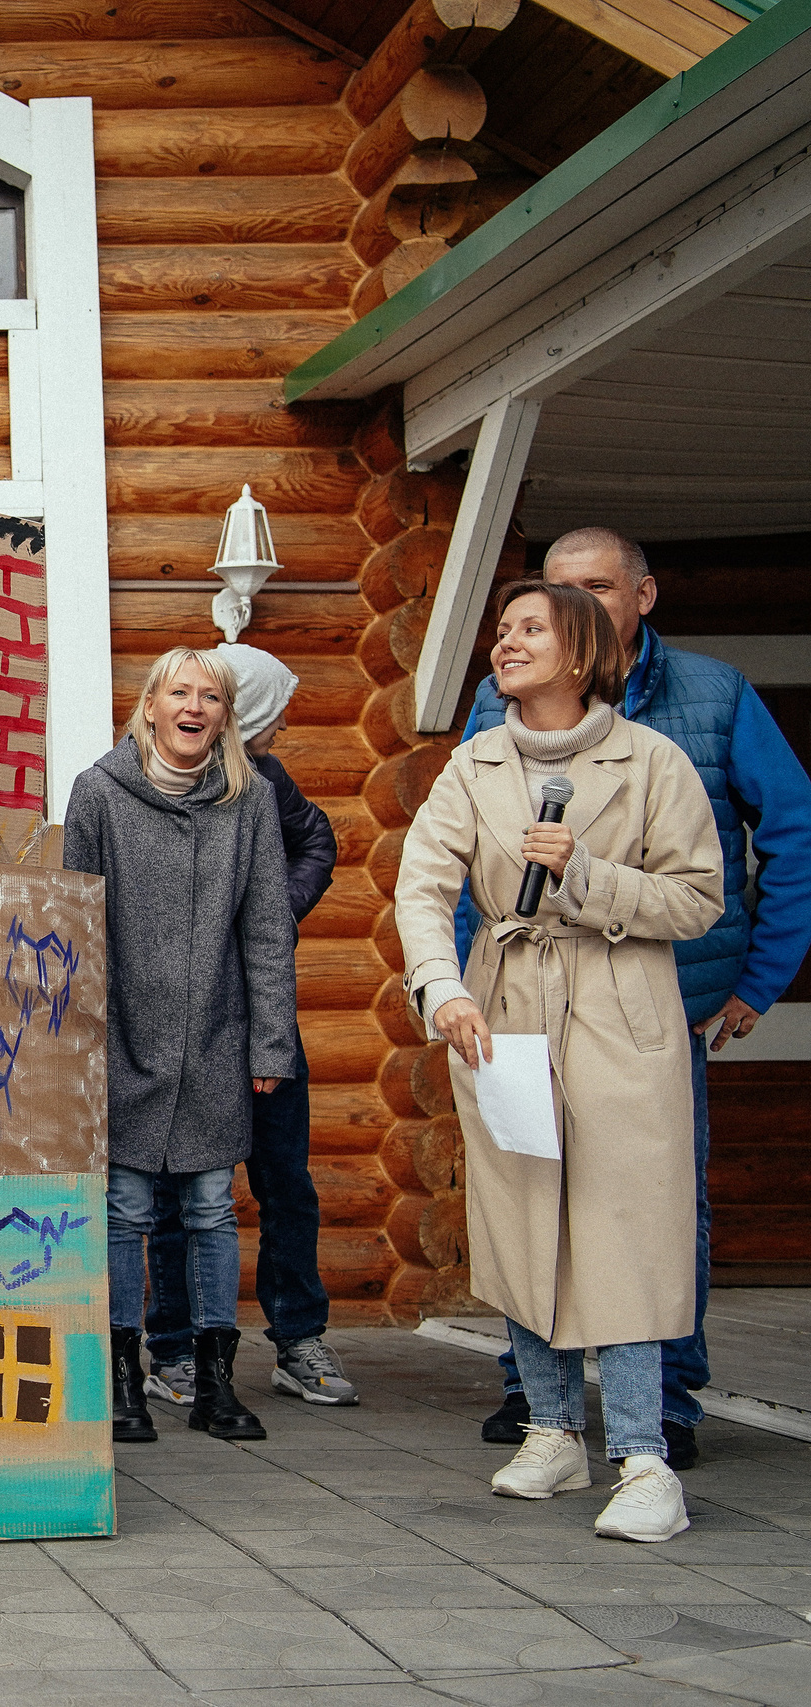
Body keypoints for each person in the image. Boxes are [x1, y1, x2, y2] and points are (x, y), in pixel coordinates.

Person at [454, 529, 811, 1468]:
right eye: (550, 592)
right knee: (531, 1187)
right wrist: (464, 990)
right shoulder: (494, 713)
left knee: (649, 1208)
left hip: (660, 1002)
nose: (572, 606)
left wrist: (760, 982)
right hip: (520, 1005)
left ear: (641, 597)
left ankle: (664, 1407)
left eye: (596, 588)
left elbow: (786, 833)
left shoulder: (711, 698)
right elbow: (463, 876)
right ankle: (543, 1404)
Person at [399, 580, 721, 1542]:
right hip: (504, 1005)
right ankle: (551, 1430)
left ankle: (646, 1459)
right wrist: (443, 989)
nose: (506, 643)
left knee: (623, 1229)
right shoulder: (474, 764)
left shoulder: (653, 760)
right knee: (521, 1216)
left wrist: (584, 876)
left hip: (622, 1010)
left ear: (581, 651)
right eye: (501, 630)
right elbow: (422, 884)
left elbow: (700, 898)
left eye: (529, 629)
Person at [64, 647, 297, 1447]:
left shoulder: (251, 800)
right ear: (151, 707)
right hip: (123, 1037)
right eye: (179, 692)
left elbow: (267, 928)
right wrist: (80, 1045)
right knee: (124, 1210)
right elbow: (75, 927)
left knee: (210, 1210)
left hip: (216, 1040)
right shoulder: (98, 794)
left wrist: (270, 1044)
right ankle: (124, 1378)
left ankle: (214, 1381)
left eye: (211, 696)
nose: (195, 706)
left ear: (226, 716)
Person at [143, 646, 357, 1410]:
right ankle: (168, 1346)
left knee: (283, 1181)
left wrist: (272, 914)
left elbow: (318, 842)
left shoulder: (264, 783)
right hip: (175, 1022)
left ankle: (297, 1338)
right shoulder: (135, 782)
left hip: (261, 1019)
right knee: (170, 1189)